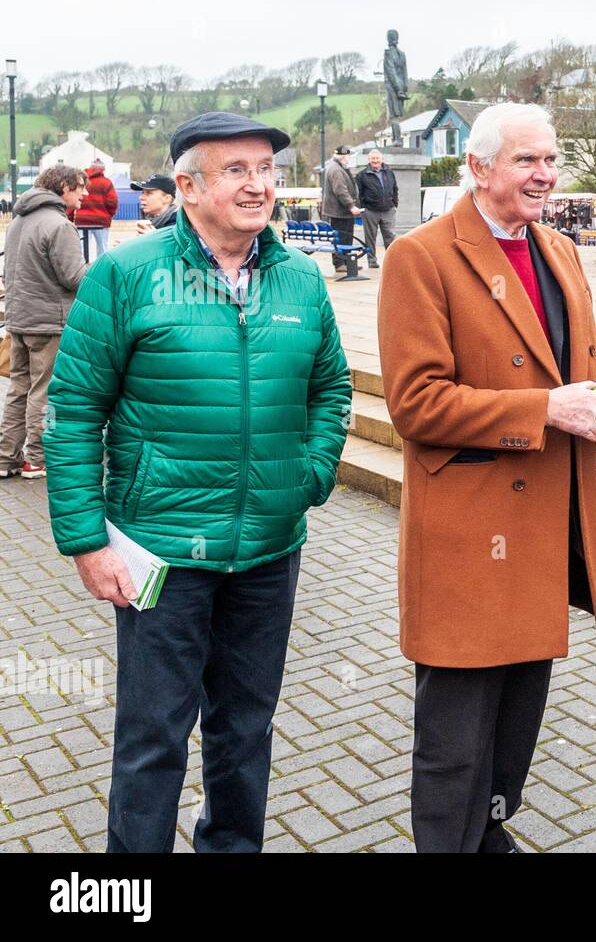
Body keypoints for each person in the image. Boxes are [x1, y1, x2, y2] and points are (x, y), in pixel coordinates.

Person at [44, 111, 353, 853]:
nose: (259, 185)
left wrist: (307, 477)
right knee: (154, 736)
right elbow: (75, 410)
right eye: (236, 170)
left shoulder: (300, 278)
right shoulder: (127, 274)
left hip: (270, 550)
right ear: (186, 186)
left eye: (267, 170)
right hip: (162, 553)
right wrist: (86, 540)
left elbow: (331, 388)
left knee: (245, 729)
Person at [377, 102, 596, 853]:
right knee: (456, 736)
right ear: (478, 168)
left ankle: (489, 835)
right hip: (470, 539)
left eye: (552, 160)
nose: (545, 174)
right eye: (528, 161)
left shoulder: (559, 248)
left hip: (545, 529)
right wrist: (546, 409)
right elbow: (415, 402)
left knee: (518, 717)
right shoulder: (421, 256)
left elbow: (575, 360)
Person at [0, 165, 89, 480]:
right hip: (48, 322)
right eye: (80, 188)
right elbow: (75, 277)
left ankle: (5, 457)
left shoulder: (19, 220)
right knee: (44, 390)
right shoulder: (58, 224)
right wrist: (105, 267)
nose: (84, 194)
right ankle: (36, 459)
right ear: (63, 186)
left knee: (18, 388)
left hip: (19, 318)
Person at [321, 145, 365, 279]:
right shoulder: (336, 169)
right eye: (348, 156)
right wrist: (351, 206)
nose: (349, 159)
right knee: (341, 238)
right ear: (342, 156)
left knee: (346, 237)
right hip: (339, 212)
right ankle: (340, 263)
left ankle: (347, 262)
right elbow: (340, 190)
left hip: (341, 212)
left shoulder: (338, 167)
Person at [354, 149, 398, 268]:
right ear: (369, 160)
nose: (375, 161)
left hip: (388, 210)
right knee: (370, 237)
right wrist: (363, 208)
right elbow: (358, 193)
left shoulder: (389, 172)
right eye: (373, 159)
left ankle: (393, 260)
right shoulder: (361, 175)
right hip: (370, 211)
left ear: (381, 159)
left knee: (390, 236)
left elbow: (395, 188)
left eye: (377, 158)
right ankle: (372, 260)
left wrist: (395, 204)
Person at [74, 158, 118, 257]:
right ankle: (102, 269)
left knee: (81, 247)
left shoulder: (82, 182)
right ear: (103, 170)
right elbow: (113, 202)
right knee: (102, 247)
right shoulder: (106, 182)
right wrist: (108, 215)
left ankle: (81, 268)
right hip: (101, 219)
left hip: (82, 219)